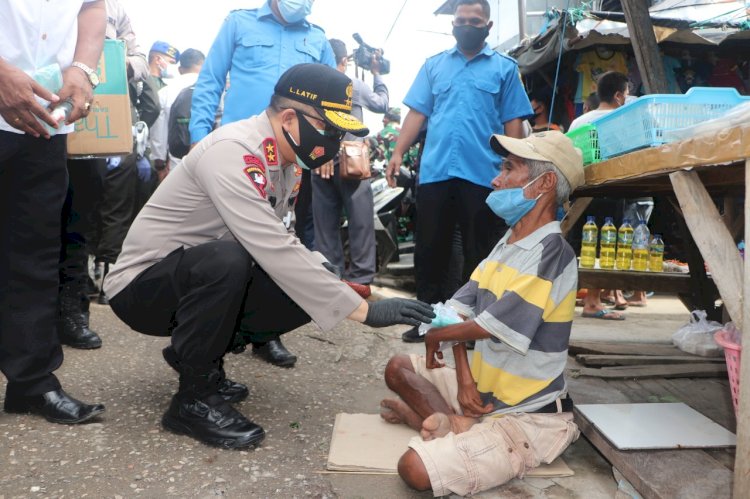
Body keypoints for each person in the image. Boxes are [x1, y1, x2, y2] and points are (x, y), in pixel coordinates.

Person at [103, 63, 435, 449]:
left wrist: (351, 291)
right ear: (290, 118)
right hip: (140, 289)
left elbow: (285, 242)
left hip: (191, 281)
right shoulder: (234, 151)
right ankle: (193, 399)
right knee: (230, 260)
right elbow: (270, 245)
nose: (334, 140)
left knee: (312, 274)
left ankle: (194, 354)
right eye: (329, 129)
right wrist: (363, 312)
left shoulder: (284, 163)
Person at [381, 131, 584, 496]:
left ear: (546, 183)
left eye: (509, 168)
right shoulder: (506, 244)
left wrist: (440, 337)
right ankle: (458, 423)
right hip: (484, 394)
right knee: (397, 366)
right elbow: (454, 312)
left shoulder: (553, 252)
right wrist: (463, 376)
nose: (496, 179)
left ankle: (446, 425)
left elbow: (481, 327)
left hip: (524, 418)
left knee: (412, 468)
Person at [189, 0, 336, 367]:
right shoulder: (239, 23)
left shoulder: (318, 39)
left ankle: (264, 333)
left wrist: (327, 149)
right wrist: (198, 135)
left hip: (292, 159)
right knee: (224, 243)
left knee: (283, 238)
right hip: (239, 154)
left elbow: (335, 105)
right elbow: (210, 79)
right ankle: (204, 328)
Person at [386, 0, 533, 343]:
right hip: (436, 173)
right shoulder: (434, 66)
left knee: (479, 253)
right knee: (430, 251)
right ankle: (425, 320)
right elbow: (417, 114)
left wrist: (513, 168)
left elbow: (514, 122)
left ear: (488, 26)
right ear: (453, 24)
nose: (467, 24)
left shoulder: (505, 69)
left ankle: (471, 326)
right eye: (461, 20)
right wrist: (397, 152)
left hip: (483, 175)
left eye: (474, 20)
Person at [0, 0, 106, 424]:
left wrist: (82, 68)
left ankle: (32, 380)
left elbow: (93, 6)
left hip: (42, 120)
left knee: (35, 253)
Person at [59, 0, 151, 350]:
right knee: (33, 223)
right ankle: (29, 316)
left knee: (79, 224)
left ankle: (72, 312)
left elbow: (138, 58)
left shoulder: (114, 9)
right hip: (38, 119)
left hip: (90, 128)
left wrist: (116, 64)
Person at [311, 39, 389, 299]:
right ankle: (360, 279)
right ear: (344, 61)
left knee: (324, 223)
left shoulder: (312, 85)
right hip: (351, 158)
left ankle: (329, 276)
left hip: (318, 157)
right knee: (360, 222)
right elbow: (381, 104)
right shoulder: (352, 84)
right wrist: (377, 74)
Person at [569, 71, 644, 318]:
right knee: (603, 246)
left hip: (580, 191)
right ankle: (592, 302)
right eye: (626, 94)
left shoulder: (580, 121)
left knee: (578, 245)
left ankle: (571, 299)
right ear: (618, 95)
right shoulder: (622, 119)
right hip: (612, 190)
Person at [149, 48, 205, 178]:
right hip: (209, 163)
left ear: (180, 69)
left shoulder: (165, 92)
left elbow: (158, 133)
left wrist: (160, 165)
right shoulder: (214, 91)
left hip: (177, 164)